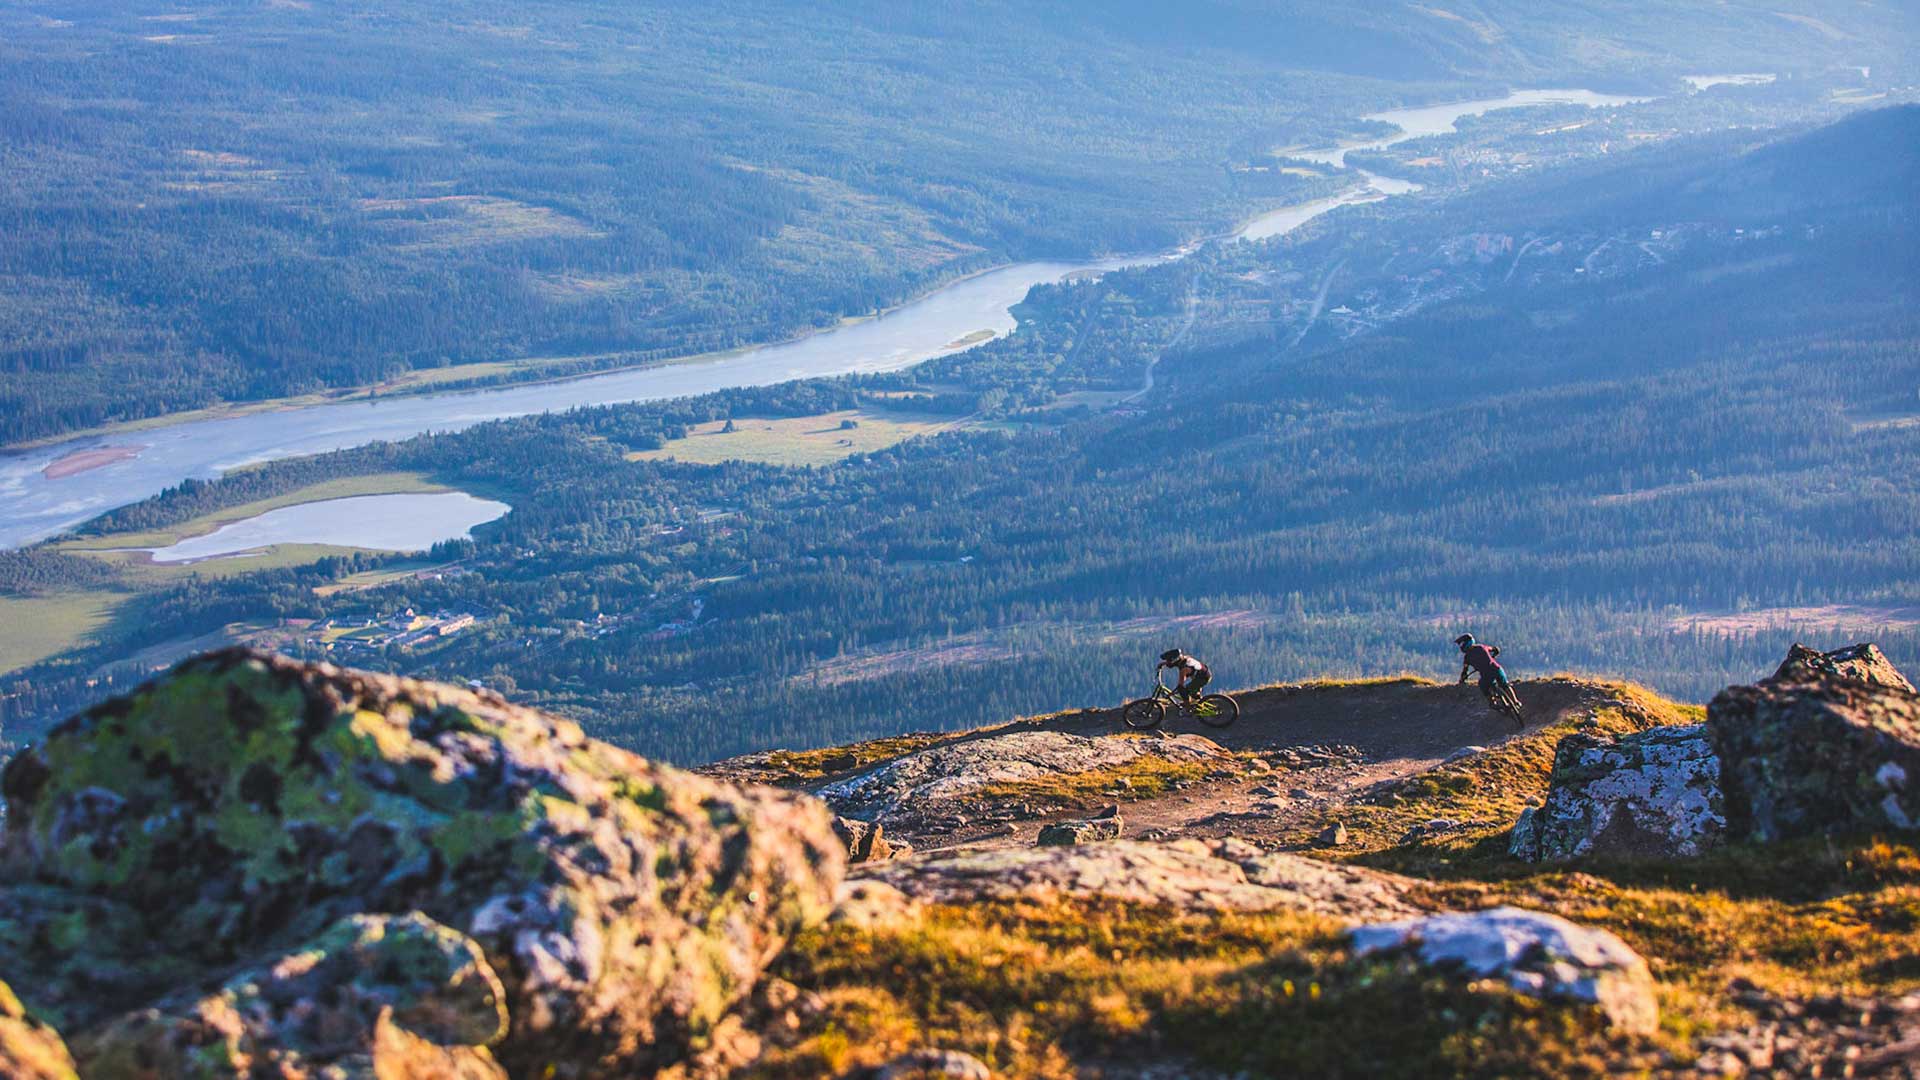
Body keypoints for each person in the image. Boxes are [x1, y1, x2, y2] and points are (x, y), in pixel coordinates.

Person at [1455, 633, 1519, 710]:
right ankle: (1516, 701)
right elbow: (1494, 649)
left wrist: (1462, 679)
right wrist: (1495, 653)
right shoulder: (1481, 647)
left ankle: (1492, 702)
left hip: (1486, 676)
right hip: (1497, 669)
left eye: (1462, 644)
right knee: (1505, 685)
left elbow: (1465, 671)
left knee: (1483, 686)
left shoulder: (1467, 658)